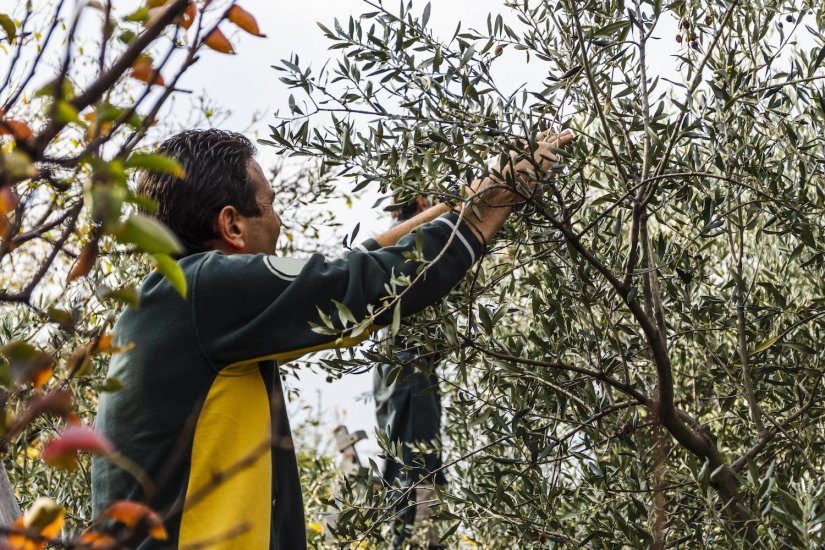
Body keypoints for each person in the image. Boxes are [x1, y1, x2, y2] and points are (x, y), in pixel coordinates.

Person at [90, 128, 573, 549]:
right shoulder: (205, 291)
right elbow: (372, 284)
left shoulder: (178, 298)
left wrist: (459, 200)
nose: (280, 221)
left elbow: (348, 266)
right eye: (271, 205)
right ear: (232, 224)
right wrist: (500, 195)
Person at [372, 195, 448, 549]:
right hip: (409, 372)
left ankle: (414, 538)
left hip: (397, 373)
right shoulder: (413, 243)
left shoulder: (396, 241)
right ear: (420, 201)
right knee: (416, 462)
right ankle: (413, 541)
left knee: (403, 460)